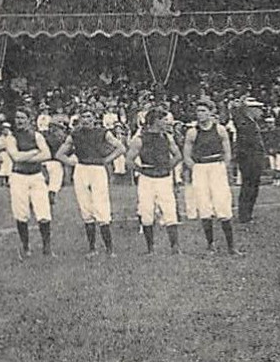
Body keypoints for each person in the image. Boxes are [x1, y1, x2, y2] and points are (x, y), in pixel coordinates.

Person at [55, 107, 124, 257]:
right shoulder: (75, 134)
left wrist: (106, 160)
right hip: (82, 169)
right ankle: (92, 249)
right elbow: (60, 154)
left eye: (89, 117)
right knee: (85, 207)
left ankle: (109, 249)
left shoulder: (103, 132)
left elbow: (120, 147)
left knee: (101, 206)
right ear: (79, 119)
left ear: (94, 118)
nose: (86, 120)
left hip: (98, 169)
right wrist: (73, 163)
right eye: (83, 117)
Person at [0, 108, 53, 258]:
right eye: (17, 118)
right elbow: (16, 157)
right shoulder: (11, 137)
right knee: (21, 213)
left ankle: (46, 248)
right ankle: (26, 247)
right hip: (18, 177)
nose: (19, 121)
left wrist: (28, 156)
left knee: (43, 212)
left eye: (22, 118)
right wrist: (34, 152)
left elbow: (47, 154)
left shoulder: (37, 136)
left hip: (36, 176)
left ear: (29, 119)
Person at [183, 98, 238, 255]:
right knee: (204, 205)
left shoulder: (220, 130)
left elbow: (228, 152)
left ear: (211, 112)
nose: (200, 114)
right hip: (200, 167)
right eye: (198, 111)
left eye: (204, 111)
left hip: (216, 167)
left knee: (222, 204)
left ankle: (231, 246)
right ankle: (210, 244)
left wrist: (222, 167)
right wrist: (196, 169)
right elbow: (186, 155)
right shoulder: (192, 132)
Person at [126, 107, 181, 254]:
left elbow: (177, 155)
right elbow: (129, 160)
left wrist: (167, 167)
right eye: (163, 119)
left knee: (169, 210)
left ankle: (174, 247)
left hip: (164, 178)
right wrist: (142, 170)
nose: (166, 122)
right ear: (155, 121)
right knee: (146, 211)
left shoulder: (167, 137)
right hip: (147, 179)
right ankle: (150, 248)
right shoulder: (139, 139)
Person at [229, 96, 268, 223]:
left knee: (253, 186)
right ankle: (244, 215)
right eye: (258, 109)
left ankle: (248, 214)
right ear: (250, 109)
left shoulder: (251, 122)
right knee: (248, 186)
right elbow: (236, 117)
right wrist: (238, 107)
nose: (260, 112)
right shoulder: (244, 121)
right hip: (248, 158)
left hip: (254, 158)